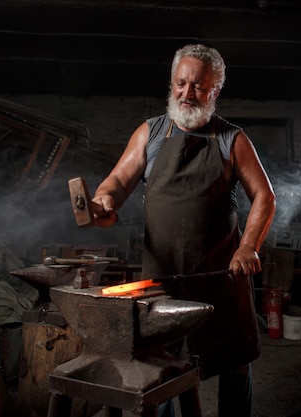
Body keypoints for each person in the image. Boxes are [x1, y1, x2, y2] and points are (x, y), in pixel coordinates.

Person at [91, 43, 276, 417]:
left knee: (234, 364)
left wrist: (248, 248)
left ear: (215, 91)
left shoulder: (231, 139)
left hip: (221, 281)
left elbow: (265, 197)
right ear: (172, 83)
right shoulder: (151, 134)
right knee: (159, 372)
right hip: (162, 284)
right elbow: (115, 183)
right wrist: (104, 202)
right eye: (181, 83)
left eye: (199, 87)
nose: (187, 94)